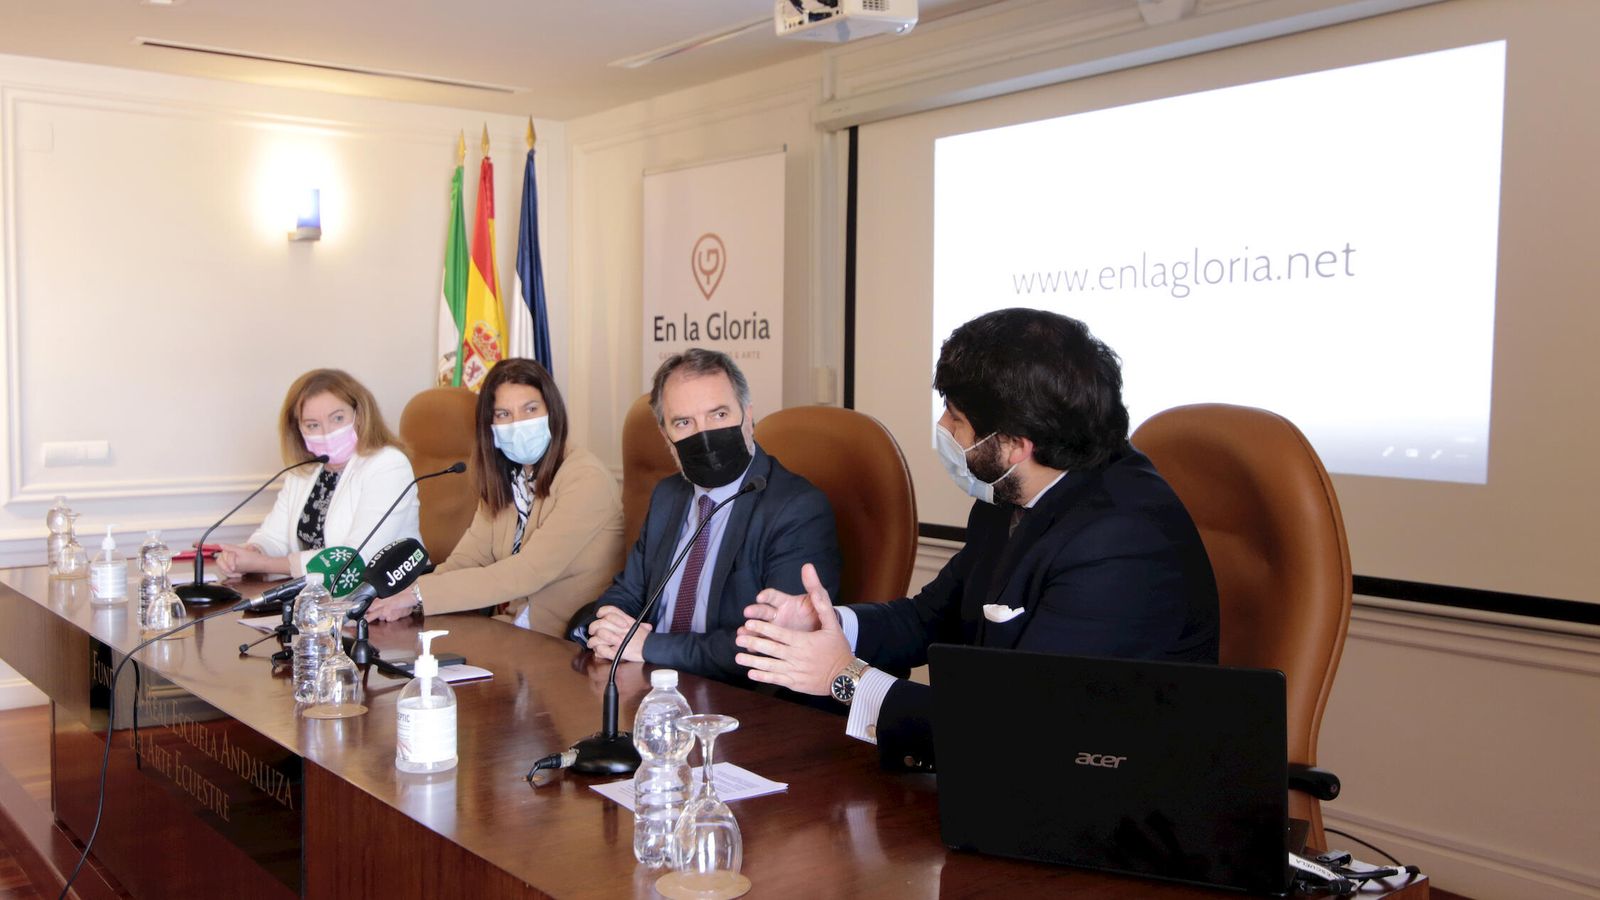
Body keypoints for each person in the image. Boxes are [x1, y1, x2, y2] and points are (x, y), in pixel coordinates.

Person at [735, 308, 1219, 771]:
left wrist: (845, 678)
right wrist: (830, 623)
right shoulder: (1008, 495)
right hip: (1012, 781)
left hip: (1108, 806)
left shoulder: (1120, 542)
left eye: (956, 417)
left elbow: (1016, 727)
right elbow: (930, 618)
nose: (943, 428)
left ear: (1015, 443)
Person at [574, 348, 841, 683]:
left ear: (748, 414)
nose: (703, 434)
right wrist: (602, 627)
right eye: (684, 422)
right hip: (645, 685)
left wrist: (650, 646)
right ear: (665, 436)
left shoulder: (796, 508)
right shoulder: (668, 495)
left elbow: (772, 643)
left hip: (741, 700)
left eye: (718, 415)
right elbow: (630, 591)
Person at [365, 359, 625, 638]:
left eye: (530, 409)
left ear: (553, 412)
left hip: (567, 645)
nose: (518, 424)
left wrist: (419, 595)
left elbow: (527, 573)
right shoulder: (508, 479)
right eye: (503, 414)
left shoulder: (586, 478)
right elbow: (467, 559)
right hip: (514, 631)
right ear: (489, 426)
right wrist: (404, 598)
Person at [218, 369, 420, 579]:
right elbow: (273, 537)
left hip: (384, 600)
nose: (326, 432)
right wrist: (252, 552)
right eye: (313, 425)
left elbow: (357, 558)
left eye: (338, 418)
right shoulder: (306, 470)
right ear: (298, 429)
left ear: (359, 415)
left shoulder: (388, 464)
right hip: (317, 600)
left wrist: (264, 564)